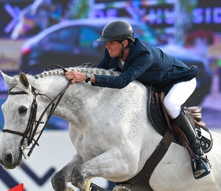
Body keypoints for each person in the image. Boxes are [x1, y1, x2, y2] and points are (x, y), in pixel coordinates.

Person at [64, 19, 211, 179]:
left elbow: (121, 81)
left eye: (111, 42)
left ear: (125, 43)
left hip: (181, 81)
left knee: (170, 104)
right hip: (159, 85)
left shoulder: (144, 55)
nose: (106, 46)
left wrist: (85, 76)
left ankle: (199, 154)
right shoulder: (112, 53)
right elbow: (100, 73)